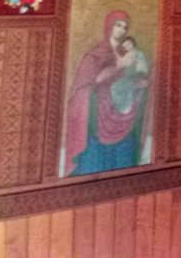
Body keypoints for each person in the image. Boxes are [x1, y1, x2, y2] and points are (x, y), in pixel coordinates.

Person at [64, 10, 149, 176]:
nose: (121, 30)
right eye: (118, 25)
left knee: (124, 155)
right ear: (109, 26)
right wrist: (118, 67)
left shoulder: (130, 52)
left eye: (125, 27)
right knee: (96, 157)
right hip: (99, 109)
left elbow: (136, 76)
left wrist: (141, 84)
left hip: (124, 107)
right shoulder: (95, 54)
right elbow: (92, 80)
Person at [110, 36, 149, 115]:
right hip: (128, 77)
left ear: (133, 43)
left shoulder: (138, 54)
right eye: (125, 46)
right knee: (114, 87)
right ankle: (123, 107)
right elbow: (121, 64)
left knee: (115, 88)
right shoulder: (130, 53)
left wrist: (137, 62)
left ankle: (125, 107)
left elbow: (143, 69)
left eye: (128, 44)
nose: (127, 47)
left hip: (134, 78)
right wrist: (116, 54)